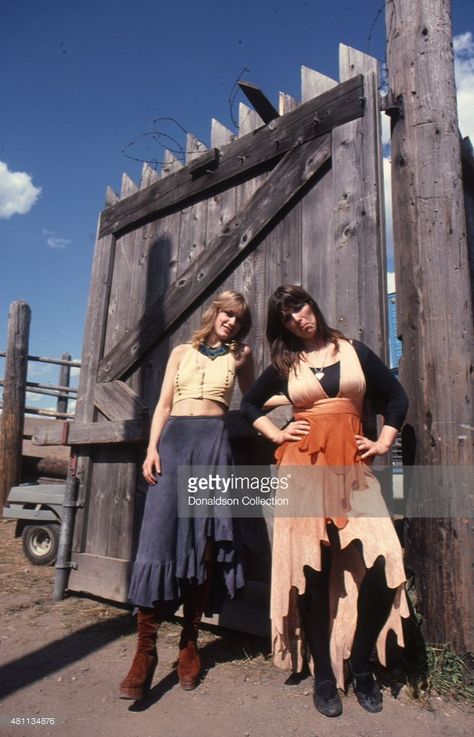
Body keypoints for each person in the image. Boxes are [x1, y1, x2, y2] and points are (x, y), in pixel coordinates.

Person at [240, 285, 409, 718]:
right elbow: (249, 404)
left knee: (383, 563)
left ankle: (361, 661)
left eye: (301, 307)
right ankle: (324, 678)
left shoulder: (353, 351)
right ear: (284, 327)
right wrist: (277, 434)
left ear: (313, 304)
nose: (299, 318)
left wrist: (384, 439)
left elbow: (396, 397)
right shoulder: (286, 363)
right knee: (312, 570)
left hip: (353, 466)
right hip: (302, 468)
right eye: (288, 317)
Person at [119, 290, 254, 700]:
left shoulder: (240, 357)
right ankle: (145, 651)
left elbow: (254, 403)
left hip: (212, 448)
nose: (230, 321)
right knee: (156, 541)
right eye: (227, 314)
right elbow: (162, 406)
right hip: (174, 443)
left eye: (238, 318)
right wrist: (151, 448)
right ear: (215, 313)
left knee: (205, 546)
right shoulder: (181, 352)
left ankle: (190, 642)